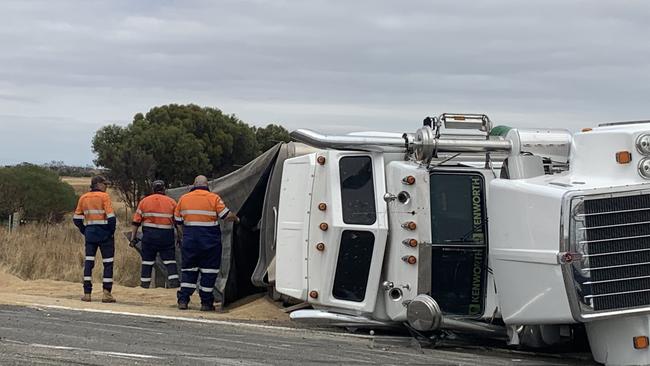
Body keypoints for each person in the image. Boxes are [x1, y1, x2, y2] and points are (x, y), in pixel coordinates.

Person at [174, 175, 238, 311]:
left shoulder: (183, 199)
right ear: (207, 185)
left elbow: (178, 222)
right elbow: (226, 216)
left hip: (190, 241)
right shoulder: (214, 198)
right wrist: (237, 218)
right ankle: (206, 303)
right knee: (209, 272)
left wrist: (182, 238)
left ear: (194, 184)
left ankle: (183, 300)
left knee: (188, 270)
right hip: (210, 242)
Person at [73, 175, 116, 303]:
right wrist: (110, 231)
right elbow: (111, 217)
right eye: (105, 184)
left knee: (89, 262)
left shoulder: (83, 197)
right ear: (98, 184)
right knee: (108, 263)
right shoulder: (104, 197)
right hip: (104, 234)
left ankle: (87, 294)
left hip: (90, 233)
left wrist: (84, 230)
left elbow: (76, 218)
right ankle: (106, 293)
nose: (106, 187)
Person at [130, 180, 180, 288]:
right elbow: (178, 223)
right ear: (164, 189)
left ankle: (144, 285)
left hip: (149, 236)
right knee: (170, 261)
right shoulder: (172, 202)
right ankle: (174, 285)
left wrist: (133, 238)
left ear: (153, 189)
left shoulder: (144, 201)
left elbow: (136, 222)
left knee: (147, 261)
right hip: (166, 236)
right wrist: (180, 237)